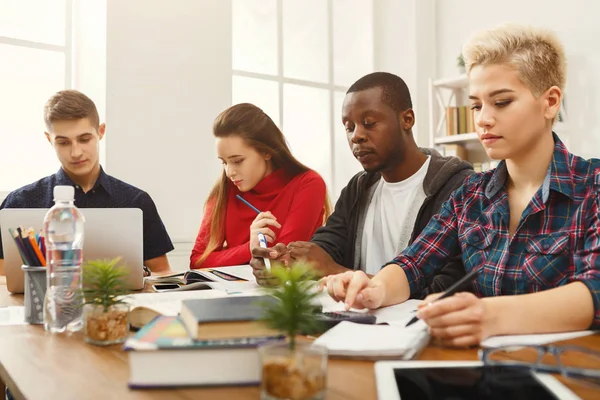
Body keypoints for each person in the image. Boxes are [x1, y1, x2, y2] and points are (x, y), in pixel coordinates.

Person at [323, 24, 600, 347]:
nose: (482, 119)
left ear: (550, 102)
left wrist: (490, 316)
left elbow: (596, 288)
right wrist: (377, 289)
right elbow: (414, 263)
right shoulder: (470, 194)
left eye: (501, 102)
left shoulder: (592, 186)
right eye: (476, 105)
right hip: (481, 369)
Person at [250, 72, 473, 292]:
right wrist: (287, 263)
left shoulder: (458, 188)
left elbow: (447, 288)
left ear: (407, 120)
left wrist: (333, 270)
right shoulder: (358, 188)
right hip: (356, 318)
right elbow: (329, 245)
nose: (356, 136)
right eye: (349, 127)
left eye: (369, 123)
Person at [0, 90, 174, 275]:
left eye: (84, 139)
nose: (76, 152)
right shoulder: (19, 202)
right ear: (49, 139)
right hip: (40, 303)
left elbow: (162, 273)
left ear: (101, 132)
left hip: (120, 304)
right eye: (63, 142)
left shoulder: (136, 201)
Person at [190, 103, 329, 269]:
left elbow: (283, 259)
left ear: (266, 152)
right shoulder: (225, 190)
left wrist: (242, 252)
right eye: (224, 162)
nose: (229, 172)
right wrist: (249, 248)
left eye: (237, 161)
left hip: (290, 292)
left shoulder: (308, 184)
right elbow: (197, 261)